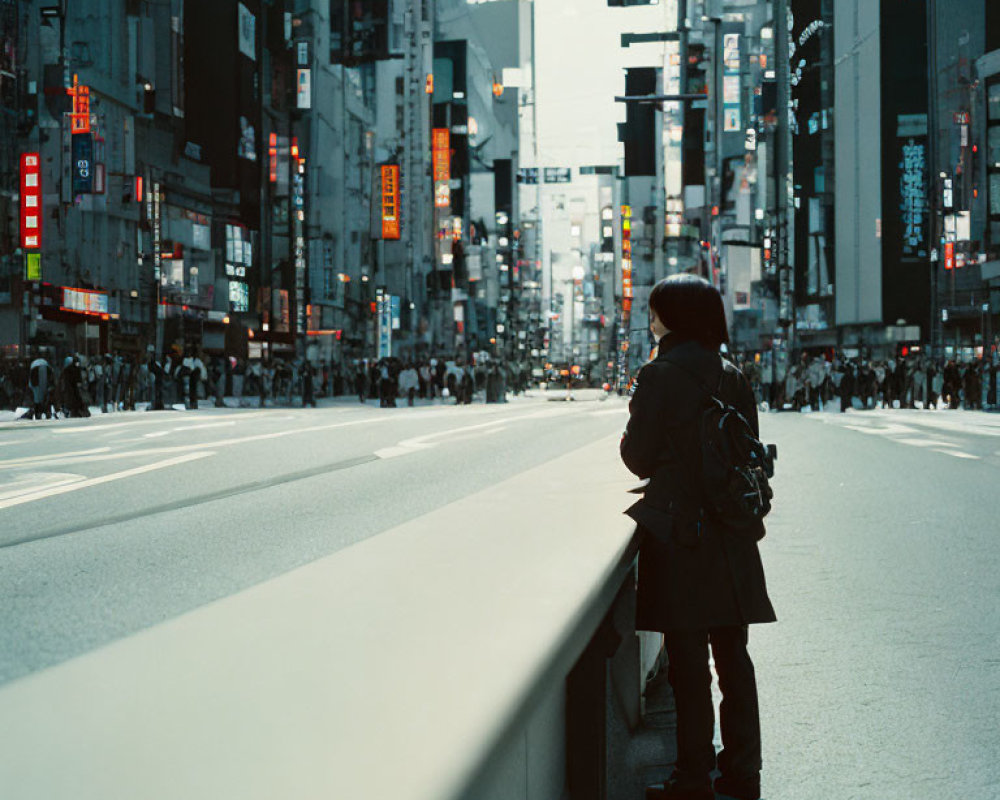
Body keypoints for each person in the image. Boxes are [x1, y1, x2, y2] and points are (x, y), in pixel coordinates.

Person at [620, 274, 775, 800]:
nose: (649, 315)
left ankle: (692, 778)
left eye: (654, 308)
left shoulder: (657, 374)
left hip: (682, 535)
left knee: (689, 665)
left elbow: (636, 456)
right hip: (732, 533)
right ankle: (743, 774)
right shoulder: (733, 374)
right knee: (735, 660)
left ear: (672, 317)